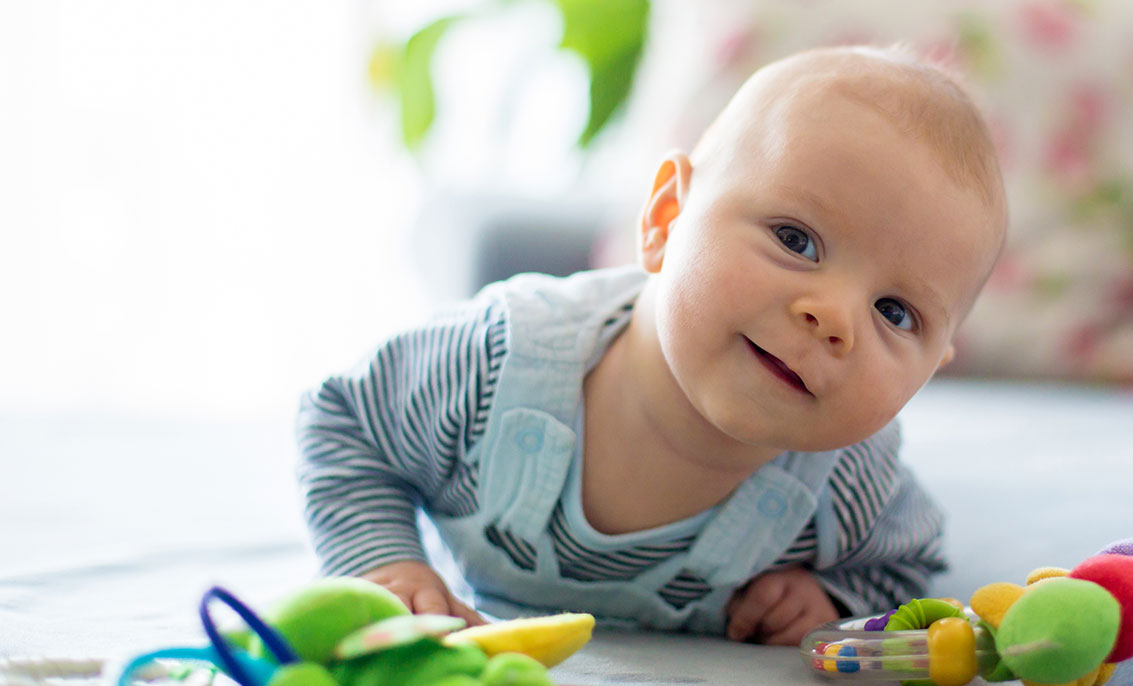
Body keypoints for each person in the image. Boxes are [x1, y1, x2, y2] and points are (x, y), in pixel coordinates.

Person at [296, 45, 1007, 646]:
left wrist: (829, 597)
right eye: (796, 240)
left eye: (895, 311)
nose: (834, 317)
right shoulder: (496, 361)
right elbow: (346, 422)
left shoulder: (848, 487)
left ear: (931, 370)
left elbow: (909, 563)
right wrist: (383, 563)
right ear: (667, 215)